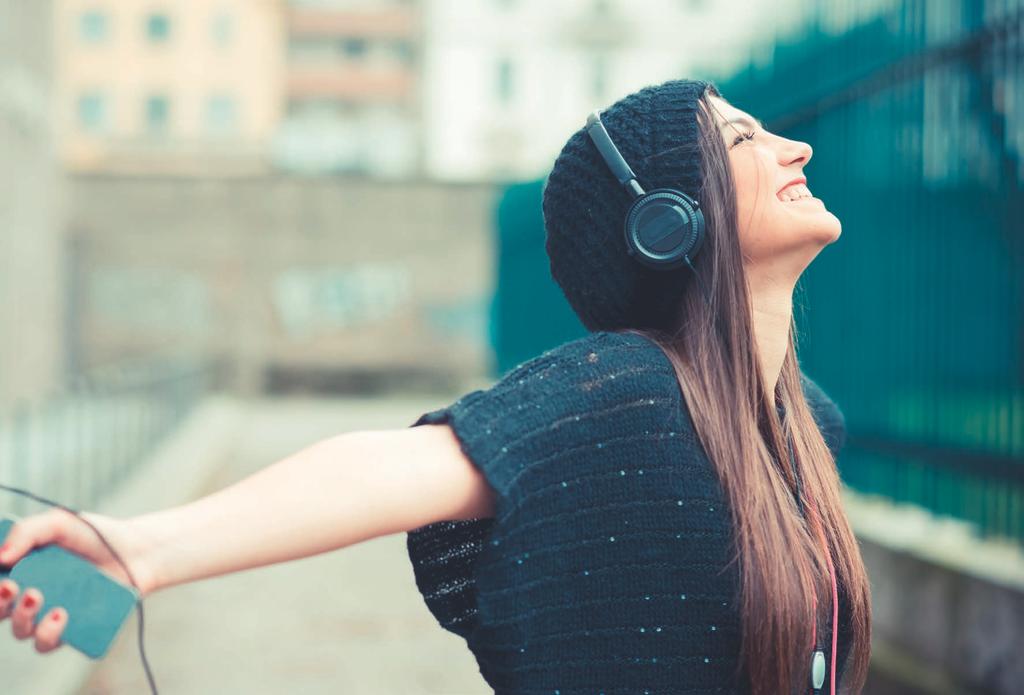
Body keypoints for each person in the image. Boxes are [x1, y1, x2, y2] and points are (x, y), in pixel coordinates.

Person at [0, 78, 871, 694]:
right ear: (666, 219)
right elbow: (389, 469)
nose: (795, 146)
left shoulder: (812, 426)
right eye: (743, 140)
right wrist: (141, 550)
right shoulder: (628, 399)